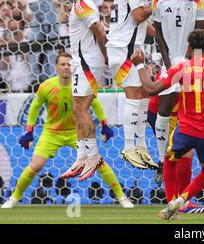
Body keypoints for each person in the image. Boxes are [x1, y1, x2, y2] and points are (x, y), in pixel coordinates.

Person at [131, 29, 204, 220]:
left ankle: (172, 202)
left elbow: (151, 90)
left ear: (189, 48)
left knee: (169, 158)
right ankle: (183, 200)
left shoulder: (182, 69)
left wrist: (139, 66)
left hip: (185, 129)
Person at [1, 52, 133, 209]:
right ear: (56, 67)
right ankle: (14, 198)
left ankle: (122, 197)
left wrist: (104, 125)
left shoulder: (81, 85)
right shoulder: (46, 86)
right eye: (62, 64)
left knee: (97, 162)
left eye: (69, 64)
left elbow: (95, 104)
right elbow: (35, 107)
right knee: (35, 165)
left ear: (73, 67)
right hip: (51, 132)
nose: (66, 67)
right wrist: (29, 132)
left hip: (76, 132)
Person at [151, 0, 204, 181]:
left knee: (202, 108)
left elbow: (199, 38)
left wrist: (185, 64)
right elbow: (158, 35)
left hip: (190, 62)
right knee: (164, 109)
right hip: (169, 62)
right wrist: (169, 65)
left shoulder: (200, 0)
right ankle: (160, 160)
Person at [106, 0, 158, 170]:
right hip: (123, 47)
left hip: (131, 46)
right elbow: (139, 16)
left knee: (143, 94)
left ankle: (141, 146)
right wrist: (157, 0)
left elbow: (143, 25)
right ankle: (128, 148)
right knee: (134, 95)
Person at [57, 0, 108, 180]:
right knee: (77, 109)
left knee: (81, 108)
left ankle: (94, 157)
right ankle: (81, 157)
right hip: (82, 62)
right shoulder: (78, 4)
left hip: (88, 63)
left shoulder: (83, 4)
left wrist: (105, 56)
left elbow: (99, 29)